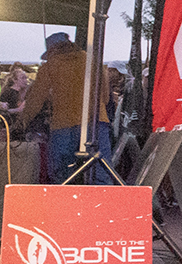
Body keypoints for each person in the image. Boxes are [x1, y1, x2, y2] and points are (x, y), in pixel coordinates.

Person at [19, 32, 113, 183]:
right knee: (100, 175)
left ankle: (65, 206)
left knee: (62, 177)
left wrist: (21, 123)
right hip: (96, 123)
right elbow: (105, 96)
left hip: (63, 126)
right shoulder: (92, 61)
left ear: (51, 50)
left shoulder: (49, 66)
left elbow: (35, 101)